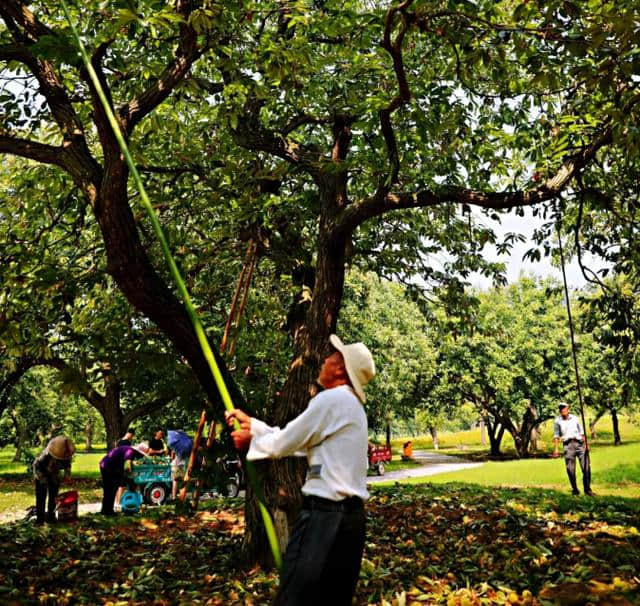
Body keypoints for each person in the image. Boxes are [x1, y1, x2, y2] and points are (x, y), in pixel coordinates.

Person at [225, 334, 375, 606]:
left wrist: (250, 440)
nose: (324, 360)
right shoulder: (351, 407)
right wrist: (255, 426)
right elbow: (300, 440)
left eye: (331, 355)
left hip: (324, 518)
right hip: (351, 522)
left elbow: (285, 442)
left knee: (294, 597)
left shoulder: (331, 400)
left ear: (340, 367)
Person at [553, 402, 593, 496]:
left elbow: (582, 432)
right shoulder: (557, 421)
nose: (562, 410)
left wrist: (586, 444)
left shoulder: (575, 418)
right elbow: (556, 435)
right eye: (561, 408)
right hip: (568, 445)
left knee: (586, 467)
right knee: (570, 470)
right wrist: (556, 449)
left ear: (568, 409)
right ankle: (575, 489)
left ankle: (587, 489)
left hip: (579, 444)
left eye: (564, 408)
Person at [32, 435, 75, 524]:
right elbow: (42, 468)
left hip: (54, 471)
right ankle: (40, 519)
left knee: (54, 495)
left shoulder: (67, 453)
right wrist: (46, 477)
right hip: (41, 470)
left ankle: (51, 517)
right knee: (41, 494)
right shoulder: (45, 456)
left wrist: (68, 476)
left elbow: (67, 465)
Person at [99, 442, 149, 515]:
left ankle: (107, 510)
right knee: (110, 489)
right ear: (139, 453)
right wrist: (130, 480)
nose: (141, 457)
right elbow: (127, 468)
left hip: (109, 466)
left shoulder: (128, 450)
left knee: (111, 489)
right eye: (141, 455)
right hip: (107, 467)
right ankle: (107, 511)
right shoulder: (130, 452)